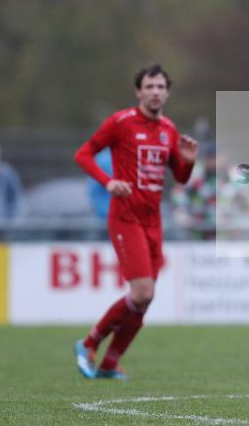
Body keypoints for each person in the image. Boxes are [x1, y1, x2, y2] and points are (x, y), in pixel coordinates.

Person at [72, 64, 197, 380]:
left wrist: (188, 161)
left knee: (146, 298)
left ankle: (110, 362)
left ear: (166, 92)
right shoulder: (121, 122)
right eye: (149, 87)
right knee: (141, 292)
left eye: (160, 87)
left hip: (153, 221)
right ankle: (88, 342)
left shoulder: (168, 129)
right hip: (125, 217)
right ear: (139, 92)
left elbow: (180, 177)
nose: (155, 92)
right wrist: (108, 181)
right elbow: (83, 154)